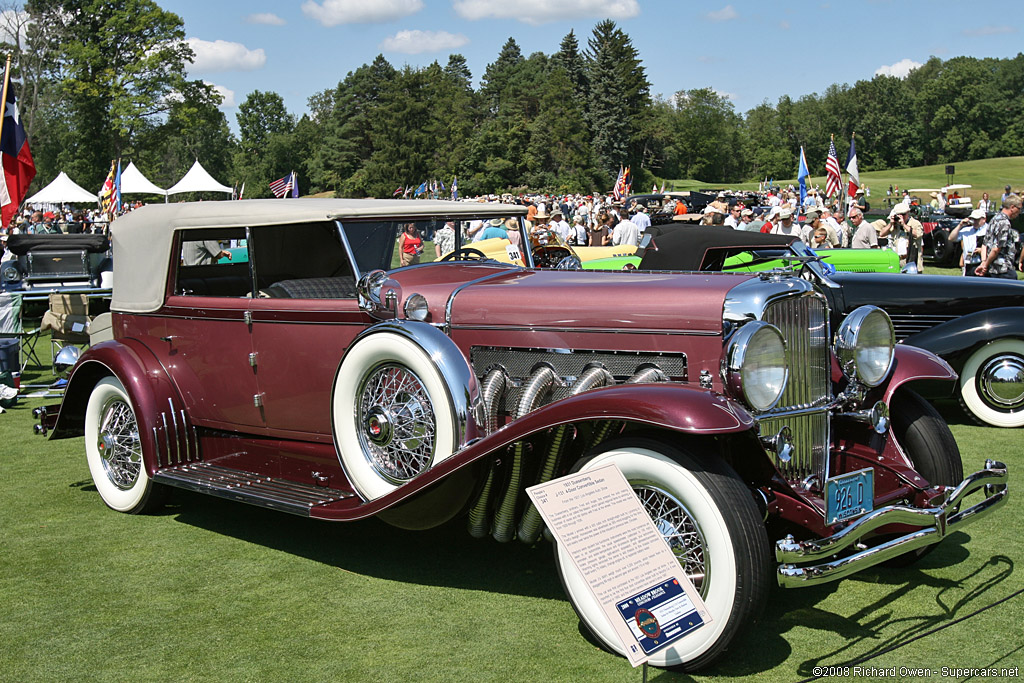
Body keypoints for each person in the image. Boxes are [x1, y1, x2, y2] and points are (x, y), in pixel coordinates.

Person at [976, 194, 1021, 279]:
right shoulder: (1005, 223)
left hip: (992, 269)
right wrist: (985, 265)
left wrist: (983, 262)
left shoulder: (994, 219)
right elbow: (996, 248)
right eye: (1019, 209)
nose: (1019, 212)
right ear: (1012, 207)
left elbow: (985, 244)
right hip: (1003, 270)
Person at [882, 203, 923, 270]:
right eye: (898, 215)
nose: (901, 217)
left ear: (908, 213)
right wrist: (890, 223)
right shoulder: (895, 224)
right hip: (897, 259)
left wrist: (904, 225)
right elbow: (882, 234)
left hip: (911, 260)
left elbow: (918, 234)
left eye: (903, 214)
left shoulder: (915, 223)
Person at [948, 208, 988, 276]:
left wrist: (982, 251)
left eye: (977, 219)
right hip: (969, 264)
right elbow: (951, 238)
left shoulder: (988, 230)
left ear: (984, 219)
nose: (974, 221)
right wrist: (960, 225)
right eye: (973, 219)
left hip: (982, 264)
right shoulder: (966, 230)